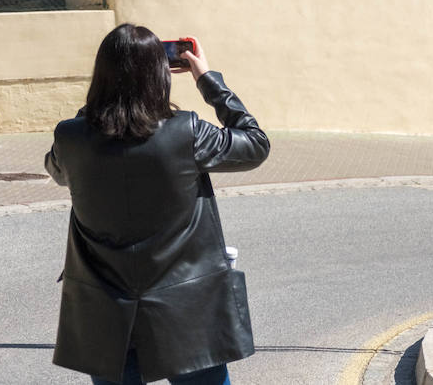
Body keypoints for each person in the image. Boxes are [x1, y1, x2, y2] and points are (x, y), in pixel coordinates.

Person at [45, 24, 271, 384]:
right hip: (187, 310)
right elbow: (255, 143)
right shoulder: (188, 132)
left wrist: (99, 103)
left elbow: (58, 168)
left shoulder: (71, 138)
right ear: (159, 75)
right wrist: (208, 79)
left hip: (105, 312)